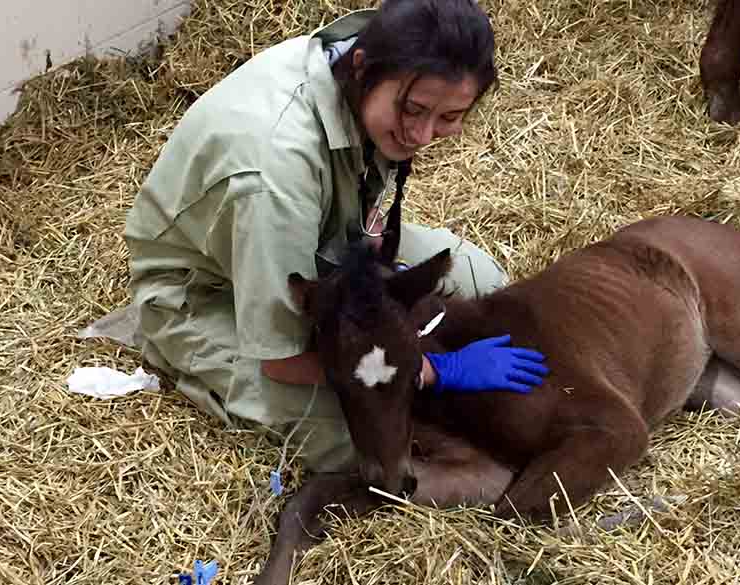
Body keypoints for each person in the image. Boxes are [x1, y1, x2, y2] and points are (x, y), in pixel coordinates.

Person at [122, 0, 550, 474]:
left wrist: (387, 297)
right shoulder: (274, 174)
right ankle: (175, 348)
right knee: (359, 439)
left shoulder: (362, 61)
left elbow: (362, 213)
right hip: (212, 290)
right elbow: (281, 361)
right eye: (414, 109)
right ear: (364, 70)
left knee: (481, 277)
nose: (424, 134)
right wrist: (426, 370)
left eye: (449, 117)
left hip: (325, 241)